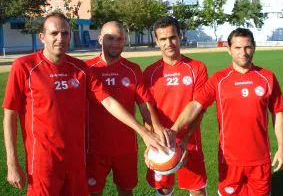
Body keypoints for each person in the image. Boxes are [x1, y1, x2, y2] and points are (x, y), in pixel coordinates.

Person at [3, 12, 166, 196]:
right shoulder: (24, 66)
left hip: (77, 161)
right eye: (54, 33)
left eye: (65, 33)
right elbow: (10, 115)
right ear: (42, 37)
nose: (60, 38)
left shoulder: (80, 69)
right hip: (43, 162)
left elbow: (109, 102)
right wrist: (12, 163)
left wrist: (144, 131)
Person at [172, 28, 283, 196]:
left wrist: (282, 148)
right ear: (229, 49)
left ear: (254, 47)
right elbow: (196, 105)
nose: (243, 52)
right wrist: (174, 129)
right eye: (238, 48)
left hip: (260, 160)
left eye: (247, 47)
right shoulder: (219, 79)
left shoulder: (267, 77)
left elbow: (278, 113)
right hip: (229, 160)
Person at [85, 21, 174, 196]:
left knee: (126, 191)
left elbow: (144, 104)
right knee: (93, 192)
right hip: (93, 148)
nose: (115, 43)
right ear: (100, 38)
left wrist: (157, 128)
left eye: (120, 39)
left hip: (125, 148)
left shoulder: (132, 70)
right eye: (110, 38)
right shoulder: (87, 69)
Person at [143, 16, 208, 196]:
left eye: (172, 37)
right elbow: (148, 112)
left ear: (180, 36)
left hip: (190, 141)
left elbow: (200, 108)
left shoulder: (197, 68)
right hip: (161, 143)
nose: (169, 43)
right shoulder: (150, 73)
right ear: (156, 41)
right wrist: (149, 141)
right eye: (163, 39)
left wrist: (186, 138)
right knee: (163, 188)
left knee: (197, 188)